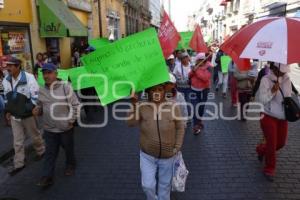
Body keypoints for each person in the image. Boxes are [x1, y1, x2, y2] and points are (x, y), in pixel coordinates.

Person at [127, 84, 185, 200]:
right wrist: (133, 105)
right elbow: (130, 123)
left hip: (168, 155)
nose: (157, 92)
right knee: (147, 185)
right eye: (153, 90)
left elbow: (180, 127)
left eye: (160, 89)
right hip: (147, 155)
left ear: (164, 91)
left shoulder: (173, 106)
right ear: (148, 92)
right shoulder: (142, 106)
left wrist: (177, 147)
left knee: (164, 186)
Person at [35, 63, 80, 188]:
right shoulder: (41, 89)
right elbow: (40, 105)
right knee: (50, 153)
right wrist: (38, 110)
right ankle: (47, 176)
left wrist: (70, 120)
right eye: (44, 73)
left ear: (56, 74)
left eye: (49, 73)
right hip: (49, 129)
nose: (46, 76)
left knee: (68, 149)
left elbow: (76, 105)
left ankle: (71, 164)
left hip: (65, 128)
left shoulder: (66, 87)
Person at [2, 57, 45, 175]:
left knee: (35, 135)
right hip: (15, 116)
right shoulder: (6, 80)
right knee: (17, 140)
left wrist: (27, 109)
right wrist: (8, 111)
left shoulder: (29, 78)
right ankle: (19, 163)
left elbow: (35, 96)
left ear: (17, 66)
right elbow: (6, 97)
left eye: (10, 66)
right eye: (7, 66)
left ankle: (41, 151)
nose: (8, 68)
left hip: (28, 115)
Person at [256, 62, 292, 182]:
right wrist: (272, 91)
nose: (284, 72)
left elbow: (288, 97)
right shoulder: (265, 80)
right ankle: (269, 168)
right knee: (272, 143)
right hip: (267, 114)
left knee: (281, 143)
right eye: (282, 71)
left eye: (285, 71)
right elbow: (262, 100)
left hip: (282, 116)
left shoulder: (287, 79)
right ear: (275, 69)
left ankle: (261, 150)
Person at [189, 53, 211, 134]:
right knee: (195, 108)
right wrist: (192, 71)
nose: (200, 61)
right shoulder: (194, 66)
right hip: (193, 90)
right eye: (199, 60)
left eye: (202, 59)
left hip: (203, 91)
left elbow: (205, 78)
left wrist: (197, 71)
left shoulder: (208, 67)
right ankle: (195, 126)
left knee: (201, 107)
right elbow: (189, 76)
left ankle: (199, 120)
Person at [173, 52, 192, 117]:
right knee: (180, 101)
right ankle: (180, 114)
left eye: (186, 57)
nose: (185, 59)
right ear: (181, 59)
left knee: (188, 101)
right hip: (179, 87)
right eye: (183, 58)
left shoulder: (192, 66)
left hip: (188, 87)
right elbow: (174, 75)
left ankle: (188, 115)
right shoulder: (177, 66)